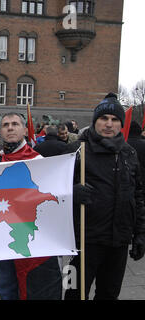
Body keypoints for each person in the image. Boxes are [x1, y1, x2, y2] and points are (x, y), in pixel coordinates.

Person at [65, 93, 145, 300]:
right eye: (104, 118)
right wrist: (71, 191)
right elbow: (51, 190)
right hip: (83, 242)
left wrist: (140, 234)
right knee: (73, 293)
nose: (109, 124)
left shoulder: (129, 153)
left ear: (121, 124)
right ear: (95, 121)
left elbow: (137, 195)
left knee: (109, 294)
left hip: (118, 241)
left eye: (115, 119)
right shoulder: (76, 150)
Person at [0, 112, 62, 300]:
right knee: (5, 290)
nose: (10, 128)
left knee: (32, 287)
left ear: (24, 130)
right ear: (0, 131)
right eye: (5, 125)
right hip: (0, 237)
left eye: (14, 124)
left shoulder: (38, 162)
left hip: (30, 237)